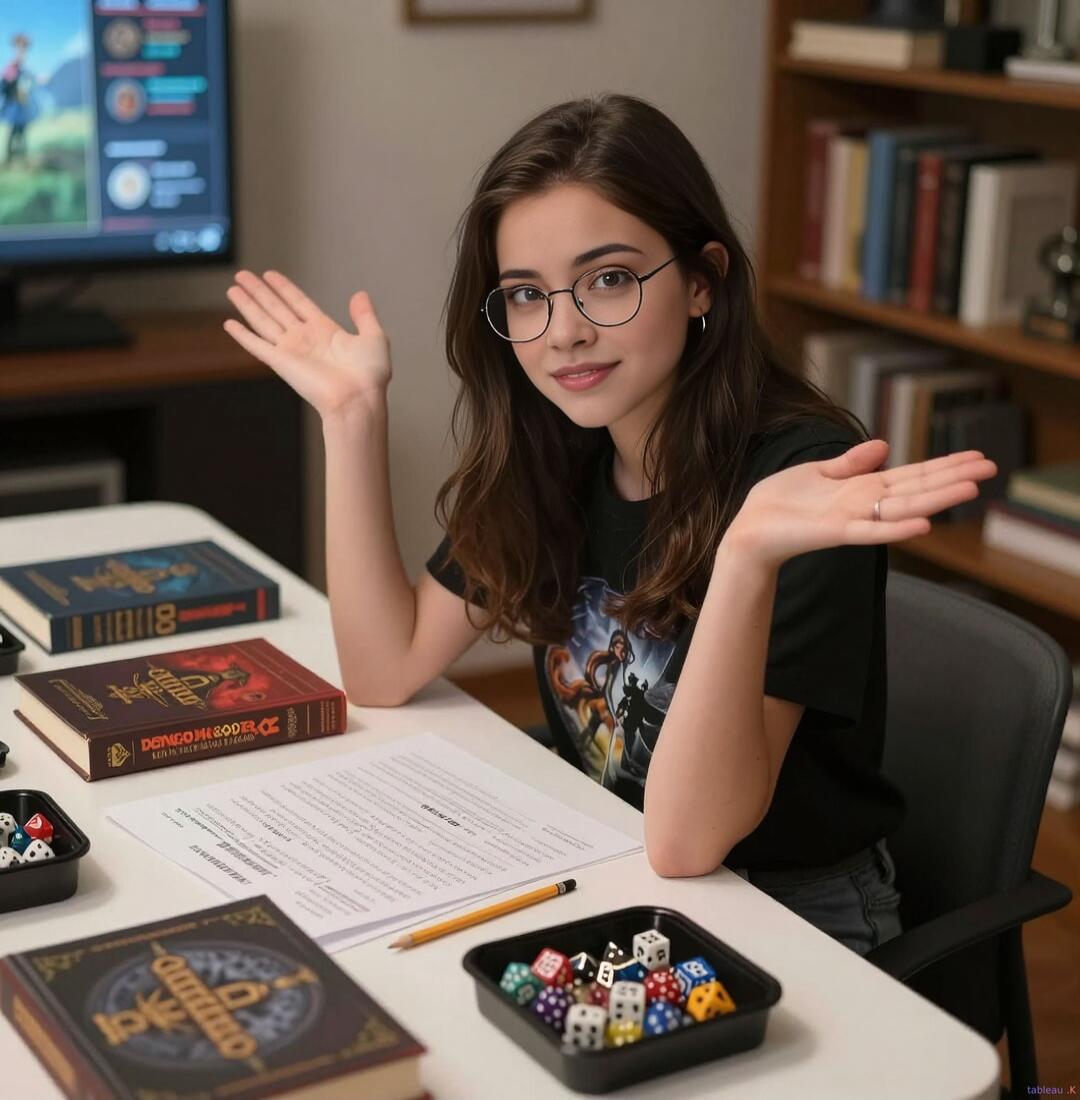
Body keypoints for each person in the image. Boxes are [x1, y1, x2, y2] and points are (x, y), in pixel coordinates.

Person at [222, 93, 996, 957]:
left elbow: (690, 841)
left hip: (790, 913)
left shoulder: (801, 482)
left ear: (703, 280)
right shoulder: (562, 444)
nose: (565, 333)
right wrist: (353, 417)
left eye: (610, 279)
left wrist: (743, 556)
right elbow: (382, 666)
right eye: (525, 295)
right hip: (615, 861)